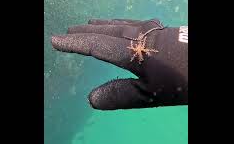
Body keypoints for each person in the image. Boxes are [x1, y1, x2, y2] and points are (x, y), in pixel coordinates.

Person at [51, 18, 188, 110]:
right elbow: (140, 50)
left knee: (137, 50)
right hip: (142, 46)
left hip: (142, 47)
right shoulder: (139, 49)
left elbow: (141, 50)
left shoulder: (140, 50)